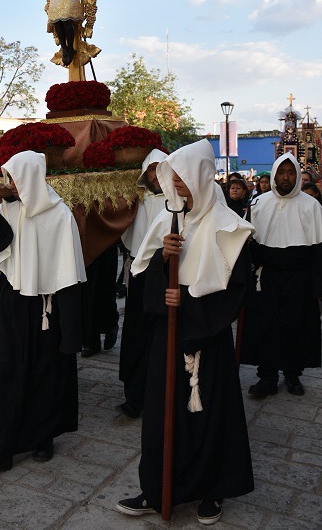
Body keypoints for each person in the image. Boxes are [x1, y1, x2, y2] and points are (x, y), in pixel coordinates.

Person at [117, 139, 254, 525]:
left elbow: (236, 291)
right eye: (171, 177)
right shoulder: (166, 220)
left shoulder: (230, 228)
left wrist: (190, 305)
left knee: (210, 418)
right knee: (161, 413)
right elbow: (142, 278)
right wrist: (162, 259)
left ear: (199, 177)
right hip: (168, 336)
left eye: (181, 177)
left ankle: (212, 489)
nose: (174, 185)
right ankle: (157, 487)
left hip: (207, 341)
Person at [0, 150, 86, 474]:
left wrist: (72, 333)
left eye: (16, 178)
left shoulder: (60, 215)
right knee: (2, 371)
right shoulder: (7, 208)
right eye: (9, 178)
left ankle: (43, 436)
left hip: (48, 307)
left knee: (46, 373)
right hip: (12, 301)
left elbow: (70, 274)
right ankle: (0, 447)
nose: (11, 185)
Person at [241, 153, 322, 398]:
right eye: (281, 172)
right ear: (274, 174)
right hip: (267, 278)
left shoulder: (311, 206)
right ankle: (267, 377)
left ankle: (292, 374)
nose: (286, 177)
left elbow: (319, 248)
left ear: (297, 175)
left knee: (296, 327)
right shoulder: (258, 204)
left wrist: (317, 286)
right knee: (267, 327)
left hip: (300, 279)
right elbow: (247, 243)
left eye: (291, 172)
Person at [118, 148, 168, 418]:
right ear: (145, 173)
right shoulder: (136, 201)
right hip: (141, 273)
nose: (157, 175)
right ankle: (135, 395)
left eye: (162, 169)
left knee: (164, 334)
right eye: (152, 169)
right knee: (137, 332)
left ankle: (163, 393)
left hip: (171, 273)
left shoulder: (179, 200)